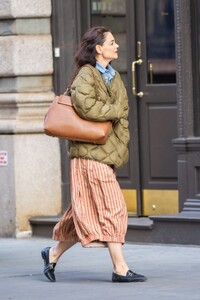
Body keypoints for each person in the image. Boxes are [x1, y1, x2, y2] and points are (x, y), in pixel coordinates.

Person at [41, 26, 147, 283]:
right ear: (99, 48)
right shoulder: (86, 75)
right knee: (114, 207)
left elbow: (122, 109)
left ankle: (53, 254)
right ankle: (120, 268)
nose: (117, 45)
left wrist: (113, 114)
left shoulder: (115, 76)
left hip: (105, 151)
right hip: (89, 154)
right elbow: (87, 106)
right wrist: (112, 110)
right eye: (112, 42)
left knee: (82, 213)